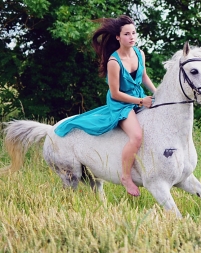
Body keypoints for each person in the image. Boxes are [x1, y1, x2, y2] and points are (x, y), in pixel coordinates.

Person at [54, 15, 157, 196]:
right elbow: (116, 93)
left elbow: (144, 77)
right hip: (121, 104)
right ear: (118, 37)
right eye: (127, 34)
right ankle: (126, 177)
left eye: (133, 33)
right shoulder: (114, 62)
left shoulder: (139, 53)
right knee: (137, 137)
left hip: (139, 96)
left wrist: (157, 94)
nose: (132, 37)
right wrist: (142, 102)